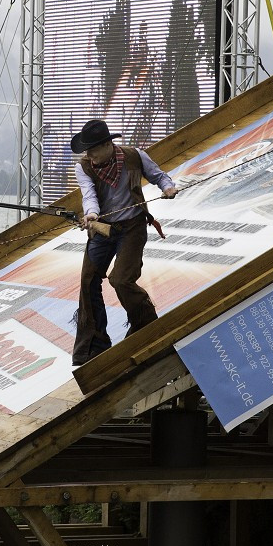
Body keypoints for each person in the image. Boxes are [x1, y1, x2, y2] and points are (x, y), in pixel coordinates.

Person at [70, 119, 177, 366]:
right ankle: (94, 346)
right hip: (103, 228)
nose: (89, 155)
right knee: (88, 279)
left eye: (93, 149)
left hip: (132, 227)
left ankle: (145, 327)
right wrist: (92, 214)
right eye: (87, 150)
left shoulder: (134, 157)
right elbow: (89, 195)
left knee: (121, 280)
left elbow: (159, 176)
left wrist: (168, 187)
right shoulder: (84, 167)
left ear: (108, 144)